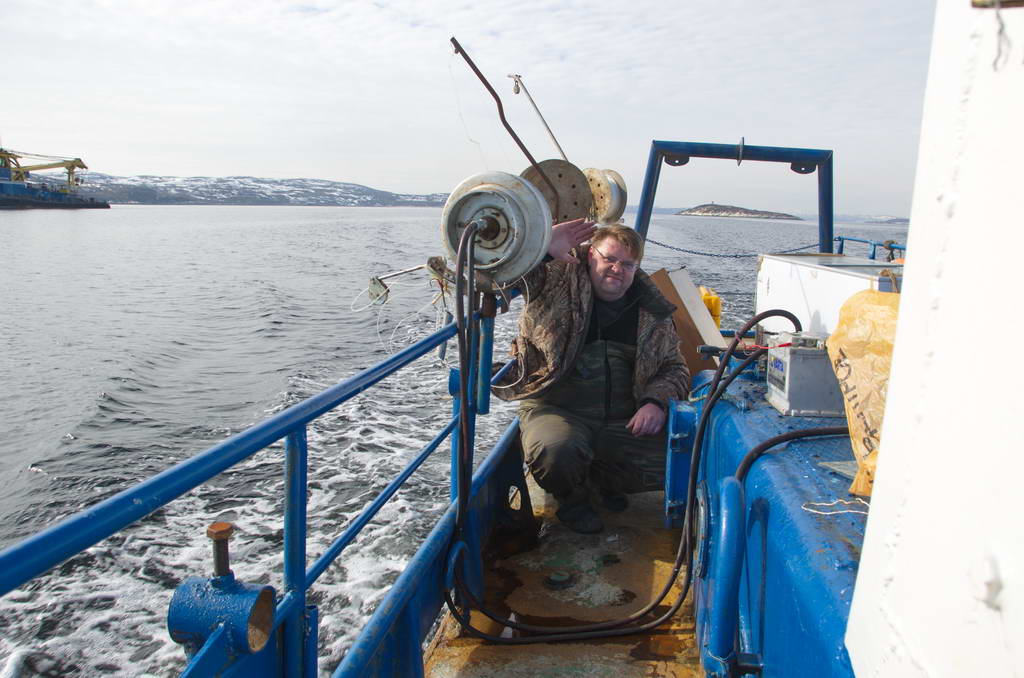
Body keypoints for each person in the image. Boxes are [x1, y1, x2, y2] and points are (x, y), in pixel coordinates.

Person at [493, 218, 689, 533]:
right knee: (555, 452)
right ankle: (573, 500)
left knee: (685, 459)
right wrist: (542, 247)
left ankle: (602, 480)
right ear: (590, 254)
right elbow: (498, 282)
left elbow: (674, 367)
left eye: (627, 264)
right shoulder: (556, 278)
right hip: (557, 409)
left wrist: (655, 402)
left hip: (624, 419)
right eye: (609, 259)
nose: (617, 269)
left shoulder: (653, 312)